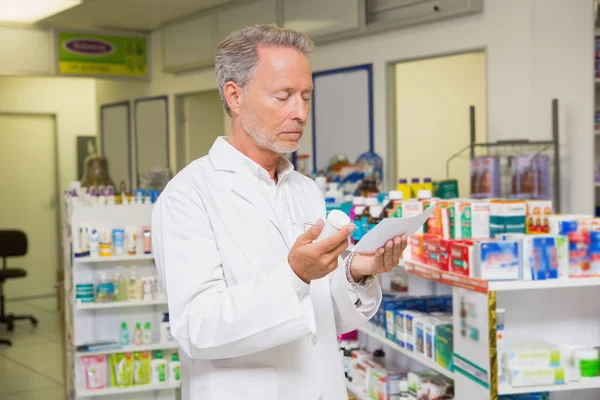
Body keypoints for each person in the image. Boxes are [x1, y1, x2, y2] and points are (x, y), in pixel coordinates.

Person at [152, 24, 408, 400]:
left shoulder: (304, 190)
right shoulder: (187, 196)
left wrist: (355, 272)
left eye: (306, 96)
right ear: (235, 96)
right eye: (283, 96)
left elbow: (323, 318)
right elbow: (197, 329)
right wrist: (293, 275)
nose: (300, 112)